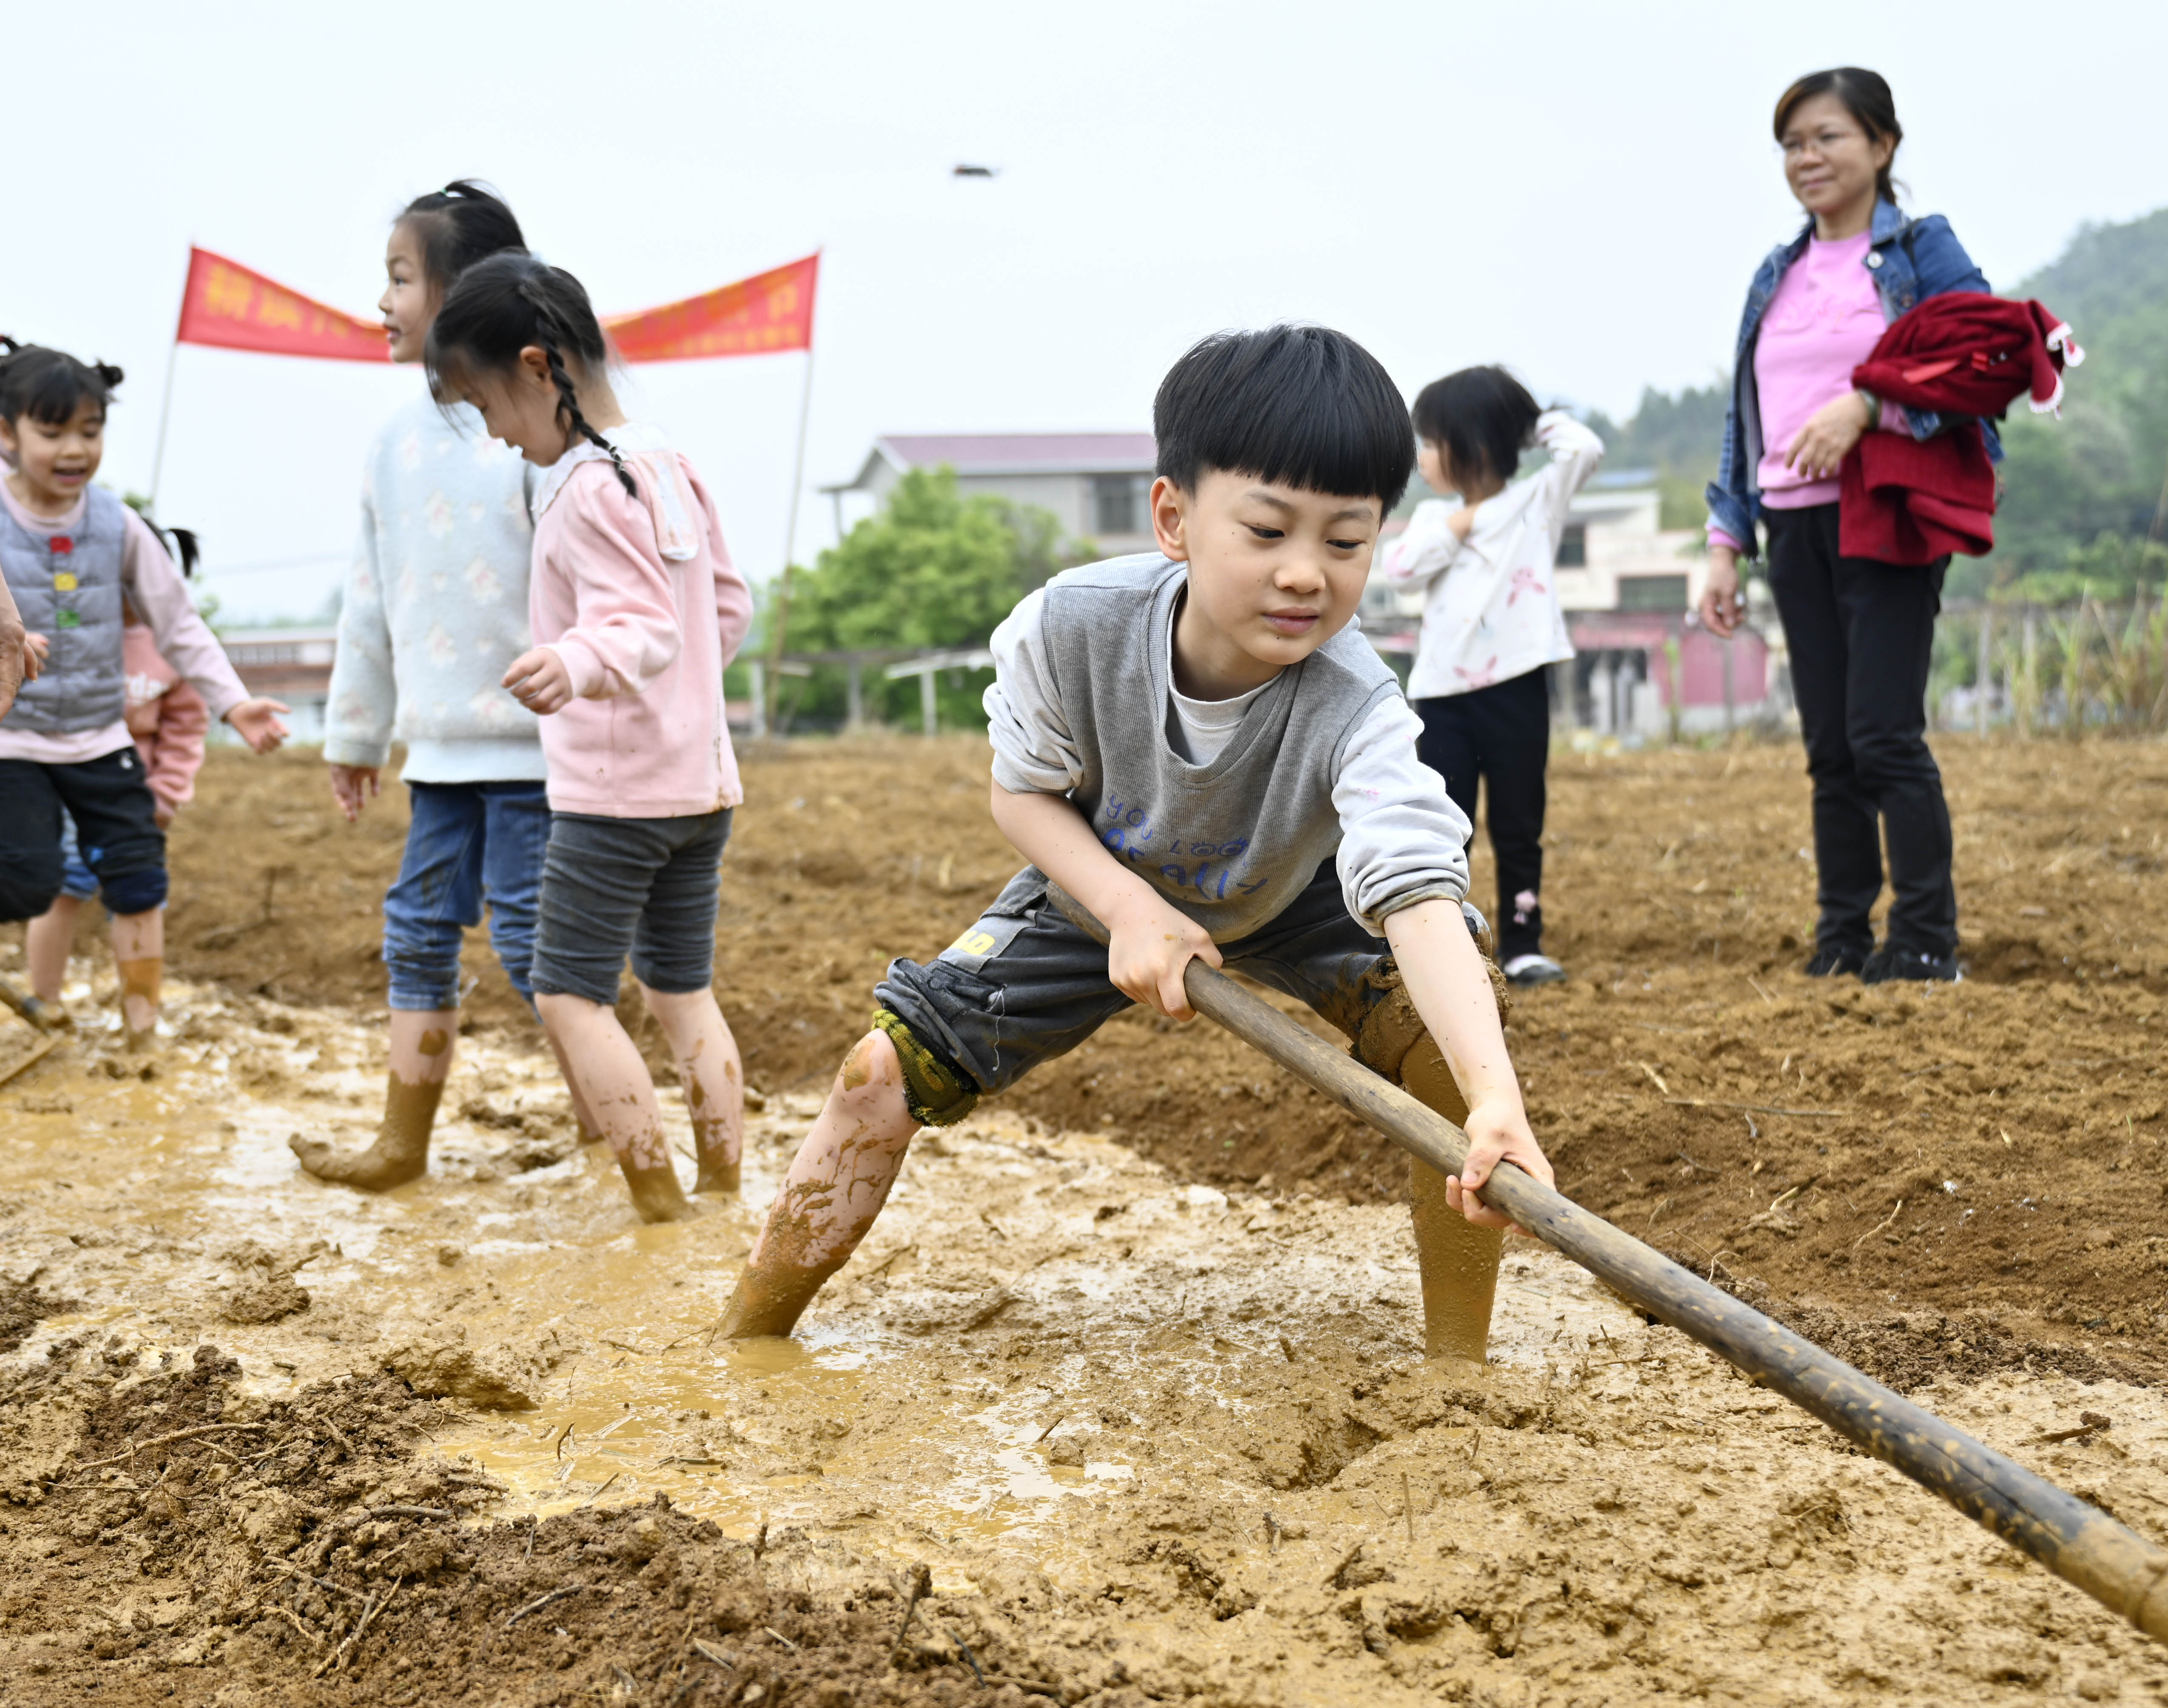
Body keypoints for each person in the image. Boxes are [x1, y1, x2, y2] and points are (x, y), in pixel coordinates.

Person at [713, 326, 1552, 1360]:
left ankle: (1457, 1372)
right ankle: (745, 1340)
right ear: (1173, 518)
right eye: (1267, 532)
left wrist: (1494, 1100)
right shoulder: (1070, 630)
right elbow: (1021, 796)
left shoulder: (1357, 705)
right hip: (1103, 878)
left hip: (1301, 892)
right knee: (876, 1075)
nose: (1304, 576)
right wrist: (1125, 909)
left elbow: (1418, 890)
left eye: (1344, 543)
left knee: (1445, 1062)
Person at [423, 252, 751, 1224]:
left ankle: (656, 1207)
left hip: (616, 800)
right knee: (680, 992)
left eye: (484, 407)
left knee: (568, 993)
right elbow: (721, 608)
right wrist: (680, 691)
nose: (491, 435)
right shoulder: (666, 464)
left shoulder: (584, 487)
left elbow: (638, 625)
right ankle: (725, 1193)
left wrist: (573, 663)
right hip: (699, 785)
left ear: (534, 367)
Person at [294, 181, 593, 1193]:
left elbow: (598, 583)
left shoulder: (539, 437)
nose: (381, 301)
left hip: (536, 758)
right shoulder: (390, 444)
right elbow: (368, 598)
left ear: (467, 294)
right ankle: (400, 1143)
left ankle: (612, 1130)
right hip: (439, 757)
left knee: (532, 945)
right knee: (415, 931)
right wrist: (354, 734)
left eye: (399, 278)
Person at [1696, 67, 1989, 986]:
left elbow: (1982, 350)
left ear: (1883, 146)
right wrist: (1724, 541)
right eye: (1793, 143)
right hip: (1791, 522)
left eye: (1827, 137)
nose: (1807, 158)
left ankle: (1926, 938)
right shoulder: (1774, 274)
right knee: (1830, 747)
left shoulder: (1920, 249)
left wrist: (1866, 406)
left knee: (1883, 734)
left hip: (1886, 514)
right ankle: (1842, 936)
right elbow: (1746, 413)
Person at [0, 340, 289, 1048]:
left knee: (137, 877)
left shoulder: (118, 525)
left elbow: (179, 623)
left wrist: (234, 701)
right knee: (31, 884)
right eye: (53, 431)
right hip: (15, 742)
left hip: (101, 740)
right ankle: (46, 993)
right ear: (7, 434)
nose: (75, 450)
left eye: (90, 432)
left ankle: (142, 1034)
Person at [1379, 367, 1600, 988]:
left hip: (1516, 688)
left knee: (1518, 818)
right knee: (1448, 821)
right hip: (1442, 695)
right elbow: (1398, 569)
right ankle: (1451, 940)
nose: (1421, 457)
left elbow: (1584, 448)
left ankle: (1524, 943)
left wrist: (1519, 426)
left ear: (1470, 444)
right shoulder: (1434, 522)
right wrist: (1464, 523)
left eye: (1431, 441)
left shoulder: (1536, 503)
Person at [24, 583, 211, 1028]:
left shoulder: (171, 646)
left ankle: (141, 1024)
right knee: (62, 887)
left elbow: (186, 728)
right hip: (69, 788)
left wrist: (165, 794)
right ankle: (44, 1003)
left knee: (139, 896)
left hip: (136, 801)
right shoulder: (66, 631)